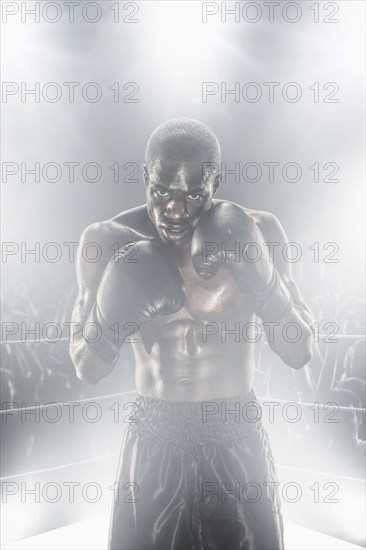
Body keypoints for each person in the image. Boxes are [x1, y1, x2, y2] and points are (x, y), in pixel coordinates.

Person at [70, 118, 314, 549]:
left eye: (193, 194)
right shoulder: (106, 243)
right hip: (154, 434)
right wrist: (106, 327)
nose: (176, 210)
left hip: (235, 433)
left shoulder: (259, 232)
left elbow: (299, 352)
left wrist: (267, 286)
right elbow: (86, 368)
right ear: (146, 174)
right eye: (162, 191)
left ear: (216, 181)